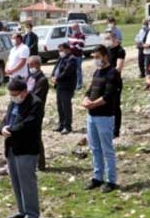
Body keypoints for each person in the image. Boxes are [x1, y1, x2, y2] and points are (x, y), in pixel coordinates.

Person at [0, 78, 43, 218]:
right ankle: (22, 210)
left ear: (24, 91)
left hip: (27, 148)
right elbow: (6, 119)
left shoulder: (35, 103)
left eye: (15, 94)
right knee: (16, 181)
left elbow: (29, 123)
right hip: (12, 147)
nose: (13, 96)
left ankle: (32, 214)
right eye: (11, 94)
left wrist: (10, 130)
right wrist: (2, 129)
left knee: (27, 182)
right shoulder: (14, 102)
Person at [83, 46, 121, 193]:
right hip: (92, 116)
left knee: (107, 150)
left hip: (104, 116)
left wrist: (93, 104)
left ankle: (111, 180)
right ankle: (97, 177)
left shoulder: (113, 73)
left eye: (97, 56)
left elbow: (108, 95)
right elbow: (90, 89)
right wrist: (86, 99)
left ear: (105, 56)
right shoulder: (97, 72)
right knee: (95, 148)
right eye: (94, 57)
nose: (95, 60)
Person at [26, 56, 49, 170]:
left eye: (31, 65)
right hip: (27, 110)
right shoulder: (30, 77)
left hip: (36, 111)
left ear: (38, 65)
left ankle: (41, 164)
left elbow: (36, 96)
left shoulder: (42, 80)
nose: (30, 67)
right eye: (29, 65)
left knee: (36, 137)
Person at [51, 43, 77, 134]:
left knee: (66, 106)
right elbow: (56, 68)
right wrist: (53, 76)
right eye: (59, 50)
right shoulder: (61, 58)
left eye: (61, 50)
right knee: (60, 106)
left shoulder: (72, 59)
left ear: (67, 49)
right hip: (59, 85)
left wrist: (57, 78)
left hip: (66, 86)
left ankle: (67, 126)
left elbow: (67, 72)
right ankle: (61, 124)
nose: (60, 52)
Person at [105, 32, 127, 137]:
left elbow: (118, 67)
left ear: (114, 38)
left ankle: (116, 130)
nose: (107, 40)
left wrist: (108, 72)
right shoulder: (107, 50)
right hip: (105, 81)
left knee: (115, 106)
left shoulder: (120, 51)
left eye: (108, 38)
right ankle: (108, 127)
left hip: (115, 81)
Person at [67, 23, 87, 89]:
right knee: (71, 70)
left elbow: (80, 45)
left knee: (78, 70)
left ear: (77, 28)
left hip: (78, 56)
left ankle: (79, 85)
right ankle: (73, 83)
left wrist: (71, 48)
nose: (72, 29)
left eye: (74, 28)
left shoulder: (82, 35)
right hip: (71, 56)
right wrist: (69, 48)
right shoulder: (70, 35)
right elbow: (68, 44)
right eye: (72, 28)